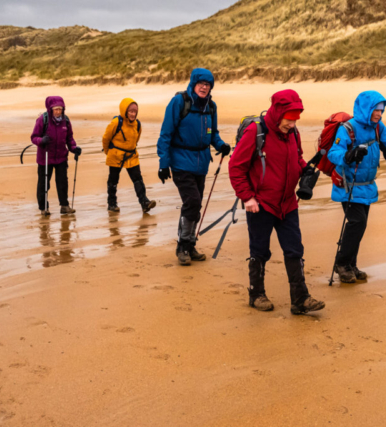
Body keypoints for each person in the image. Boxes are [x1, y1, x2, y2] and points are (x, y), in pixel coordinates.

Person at [228, 89, 325, 315]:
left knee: (294, 250)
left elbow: (297, 157)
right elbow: (235, 167)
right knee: (260, 250)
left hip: (288, 202)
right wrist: (247, 197)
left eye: (295, 120)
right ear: (278, 113)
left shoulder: (293, 133)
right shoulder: (256, 131)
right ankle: (256, 295)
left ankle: (300, 300)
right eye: (289, 119)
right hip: (261, 203)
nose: (291, 124)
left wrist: (305, 170)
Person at [327, 90, 386, 283]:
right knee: (357, 223)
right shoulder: (348, 128)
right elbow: (334, 153)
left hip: (367, 186)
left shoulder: (378, 127)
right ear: (367, 108)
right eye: (376, 110)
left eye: (381, 110)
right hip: (348, 186)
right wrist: (348, 155)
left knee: (360, 225)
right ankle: (341, 264)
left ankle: (350, 265)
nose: (379, 114)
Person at [156, 68, 231, 265]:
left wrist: (221, 145)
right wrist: (163, 164)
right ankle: (182, 247)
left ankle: (189, 245)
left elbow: (212, 134)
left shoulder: (211, 107)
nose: (204, 87)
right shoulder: (179, 102)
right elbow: (165, 134)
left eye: (208, 85)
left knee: (194, 204)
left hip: (201, 163)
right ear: (193, 84)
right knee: (193, 202)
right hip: (180, 162)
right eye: (201, 84)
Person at [102, 98, 156, 213]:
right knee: (113, 180)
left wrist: (130, 148)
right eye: (130, 111)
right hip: (115, 155)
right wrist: (108, 152)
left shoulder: (138, 124)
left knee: (138, 179)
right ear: (125, 111)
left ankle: (144, 203)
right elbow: (106, 138)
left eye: (134, 112)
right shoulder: (116, 123)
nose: (133, 114)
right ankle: (112, 204)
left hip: (131, 155)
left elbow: (136, 139)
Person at [30, 96, 82, 215]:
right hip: (45, 157)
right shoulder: (43, 120)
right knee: (44, 184)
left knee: (63, 182)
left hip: (61, 157)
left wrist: (74, 148)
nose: (58, 112)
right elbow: (34, 137)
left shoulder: (66, 121)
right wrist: (42, 140)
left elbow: (69, 139)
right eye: (56, 109)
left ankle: (64, 206)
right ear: (50, 109)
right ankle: (44, 208)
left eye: (60, 109)